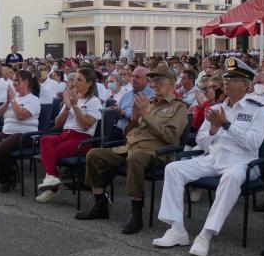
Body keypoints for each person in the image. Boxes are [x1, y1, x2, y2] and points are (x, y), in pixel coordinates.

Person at [153, 58, 264, 256]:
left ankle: (206, 234)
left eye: (233, 77)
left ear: (245, 84)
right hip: (213, 159)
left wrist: (227, 125)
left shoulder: (257, 110)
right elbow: (202, 141)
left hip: (243, 163)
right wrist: (213, 130)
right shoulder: (216, 109)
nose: (227, 81)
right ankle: (177, 229)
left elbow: (253, 144)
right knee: (173, 168)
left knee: (231, 177)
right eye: (226, 77)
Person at [76, 64, 187, 235]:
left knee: (135, 159)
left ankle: (136, 214)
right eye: (153, 80)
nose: (153, 84)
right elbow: (129, 132)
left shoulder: (179, 107)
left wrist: (146, 116)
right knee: (94, 154)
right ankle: (100, 204)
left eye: (158, 80)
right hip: (130, 147)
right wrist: (134, 119)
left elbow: (171, 138)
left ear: (171, 83)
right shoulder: (148, 103)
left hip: (156, 153)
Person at [36, 67, 102, 203]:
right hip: (65, 134)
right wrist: (67, 106)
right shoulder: (72, 98)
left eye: (79, 80)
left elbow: (86, 125)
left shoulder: (94, 101)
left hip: (81, 139)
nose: (75, 82)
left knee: (50, 152)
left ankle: (52, 187)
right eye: (74, 79)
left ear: (89, 83)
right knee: (45, 140)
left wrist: (76, 106)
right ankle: (52, 179)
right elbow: (58, 123)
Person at [0, 70, 41, 192]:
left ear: (26, 82)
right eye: (13, 80)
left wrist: (12, 100)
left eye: (17, 80)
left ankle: (5, 181)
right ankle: (10, 170)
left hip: (26, 135)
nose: (14, 83)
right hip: (7, 132)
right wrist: (8, 101)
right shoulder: (13, 98)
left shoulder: (33, 99)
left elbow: (21, 115)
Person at [115, 67, 154, 131]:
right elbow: (118, 112)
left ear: (147, 81)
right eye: (132, 76)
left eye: (137, 77)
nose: (133, 79)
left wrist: (125, 113)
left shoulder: (153, 97)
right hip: (119, 130)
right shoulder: (126, 95)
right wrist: (118, 112)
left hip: (139, 134)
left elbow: (144, 117)